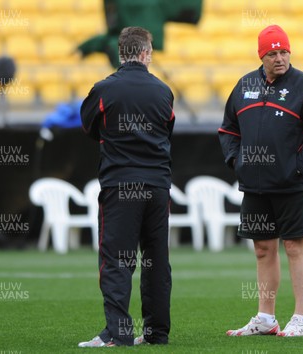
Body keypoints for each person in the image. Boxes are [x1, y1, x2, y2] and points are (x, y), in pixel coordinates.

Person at [218, 24, 303, 337]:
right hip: (254, 185)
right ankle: (266, 318)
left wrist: (297, 167)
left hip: (292, 185)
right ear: (262, 55)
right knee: (262, 249)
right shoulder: (244, 85)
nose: (280, 58)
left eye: (284, 51)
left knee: (295, 247)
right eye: (273, 53)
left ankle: (301, 319)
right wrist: (237, 162)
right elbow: (228, 130)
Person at [78, 26, 175, 347]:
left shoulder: (104, 90)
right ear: (147, 53)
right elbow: (167, 129)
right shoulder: (164, 92)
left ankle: (117, 334)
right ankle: (156, 333)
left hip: (121, 184)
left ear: (121, 54)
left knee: (117, 260)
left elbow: (90, 127)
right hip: (158, 186)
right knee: (156, 259)